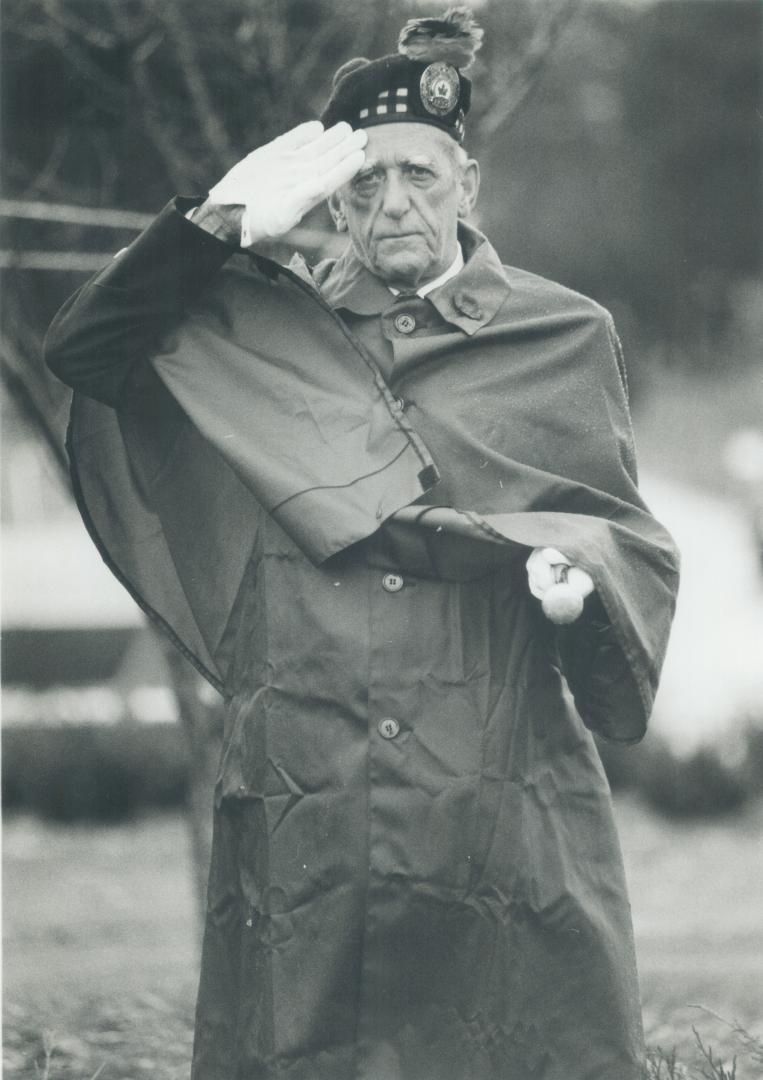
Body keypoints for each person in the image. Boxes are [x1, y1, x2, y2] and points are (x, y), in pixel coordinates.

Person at [45, 9, 679, 1079]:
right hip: (309, 805)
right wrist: (216, 225)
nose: (393, 204)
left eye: (420, 178)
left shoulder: (560, 337)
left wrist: (583, 583)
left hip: (493, 809)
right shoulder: (255, 321)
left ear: (466, 186)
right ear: (330, 200)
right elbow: (87, 350)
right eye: (365, 183)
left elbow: (622, 539)